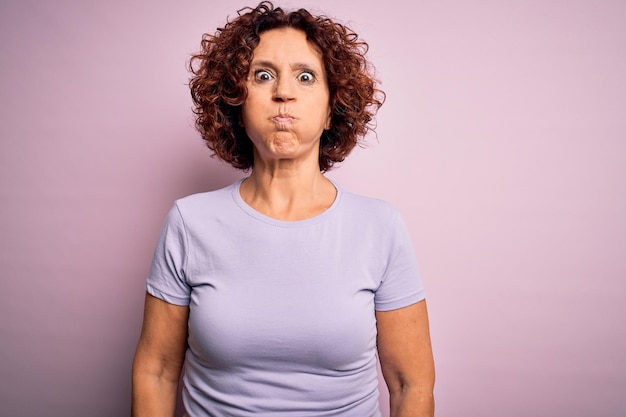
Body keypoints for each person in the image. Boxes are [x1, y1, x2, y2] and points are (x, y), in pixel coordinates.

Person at [131, 2, 435, 416]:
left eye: (305, 76)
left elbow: (410, 384)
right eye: (263, 75)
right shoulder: (190, 222)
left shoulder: (379, 226)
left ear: (332, 110)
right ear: (237, 102)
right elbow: (157, 371)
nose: (283, 92)